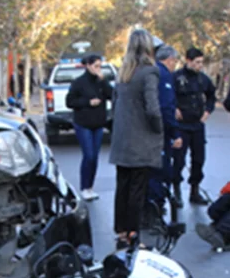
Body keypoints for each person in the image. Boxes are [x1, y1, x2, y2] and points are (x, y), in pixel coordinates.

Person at [109, 29, 163, 249]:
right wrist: (158, 129)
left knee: (122, 186)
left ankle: (122, 232)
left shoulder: (123, 73)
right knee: (137, 189)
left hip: (122, 138)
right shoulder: (149, 72)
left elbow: (115, 105)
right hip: (140, 139)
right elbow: (153, 108)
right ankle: (133, 234)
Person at [65, 54, 114, 201]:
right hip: (83, 123)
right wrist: (87, 102)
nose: (98, 69)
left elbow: (112, 95)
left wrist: (104, 81)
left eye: (100, 66)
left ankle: (90, 186)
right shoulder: (79, 82)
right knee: (89, 155)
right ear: (88, 66)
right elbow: (70, 101)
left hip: (98, 123)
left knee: (95, 157)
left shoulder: (101, 82)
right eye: (95, 66)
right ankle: (84, 187)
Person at [173, 47, 216, 206]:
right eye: (197, 62)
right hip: (181, 125)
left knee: (199, 159)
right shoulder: (176, 77)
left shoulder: (203, 79)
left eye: (201, 62)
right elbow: (167, 96)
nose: (200, 65)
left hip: (197, 125)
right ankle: (176, 190)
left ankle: (195, 191)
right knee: (178, 160)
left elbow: (211, 96)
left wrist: (208, 111)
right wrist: (174, 108)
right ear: (188, 61)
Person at [146, 44, 182, 210]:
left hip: (148, 130)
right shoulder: (164, 75)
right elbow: (166, 107)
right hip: (161, 132)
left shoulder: (151, 71)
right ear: (170, 60)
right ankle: (156, 205)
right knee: (161, 169)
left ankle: (151, 203)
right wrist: (175, 133)